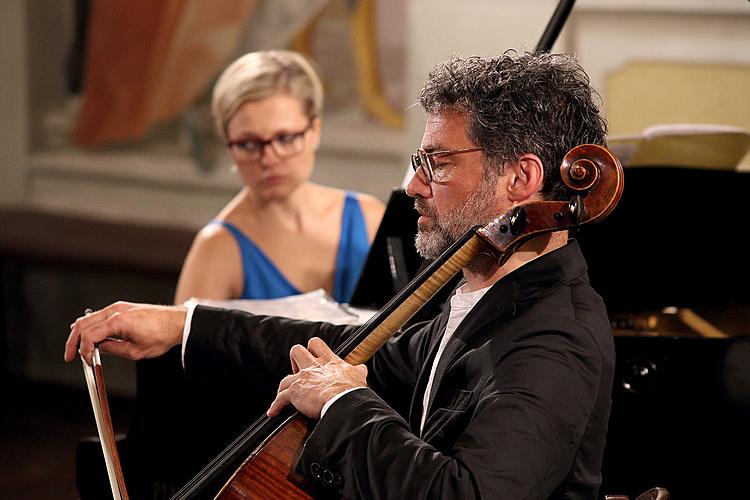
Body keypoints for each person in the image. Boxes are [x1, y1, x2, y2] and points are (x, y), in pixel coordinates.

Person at [66, 50, 615, 499]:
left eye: (438, 163)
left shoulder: (553, 338)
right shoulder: (487, 293)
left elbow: (466, 495)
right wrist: (182, 325)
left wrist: (343, 403)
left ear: (521, 178)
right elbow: (348, 349)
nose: (415, 187)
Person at [174, 49, 384, 305]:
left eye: (285, 138)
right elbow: (185, 342)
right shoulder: (216, 249)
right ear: (229, 143)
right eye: (248, 144)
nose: (268, 159)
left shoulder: (369, 217)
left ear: (314, 131)